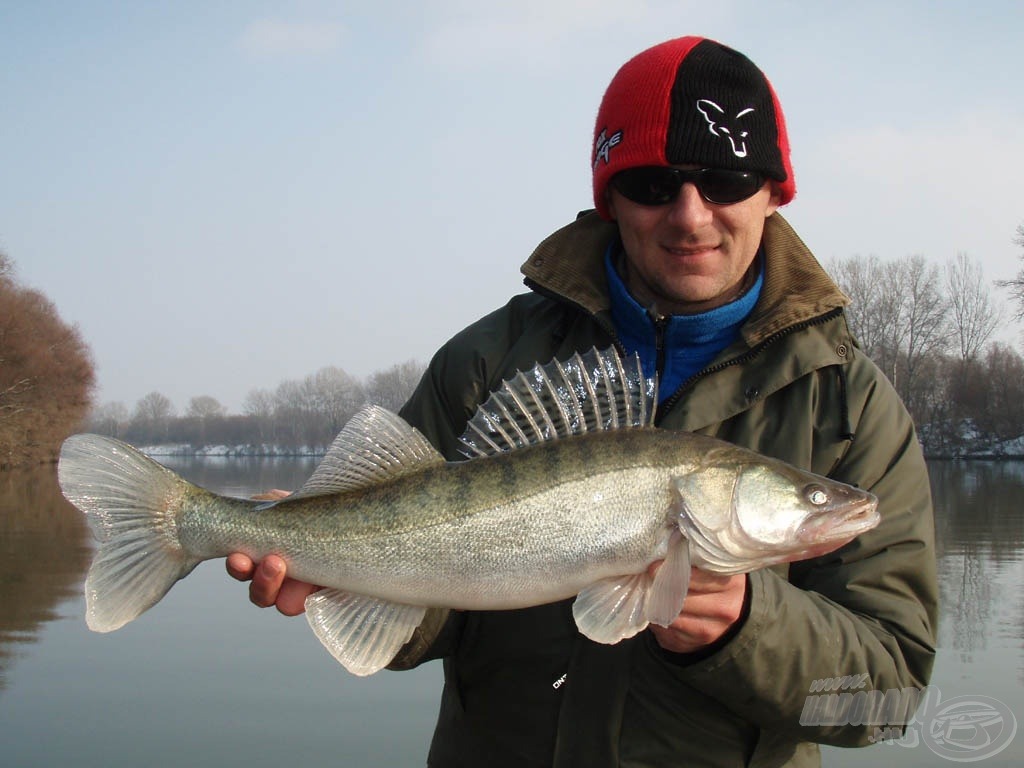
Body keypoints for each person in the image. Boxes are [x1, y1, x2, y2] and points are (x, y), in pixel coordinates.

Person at [227, 36, 937, 767]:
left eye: (725, 181)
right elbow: (427, 625)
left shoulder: (849, 405)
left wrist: (748, 626)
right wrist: (340, 574)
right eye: (654, 185)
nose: (690, 217)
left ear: (772, 191)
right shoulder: (487, 363)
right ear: (610, 196)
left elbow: (885, 699)